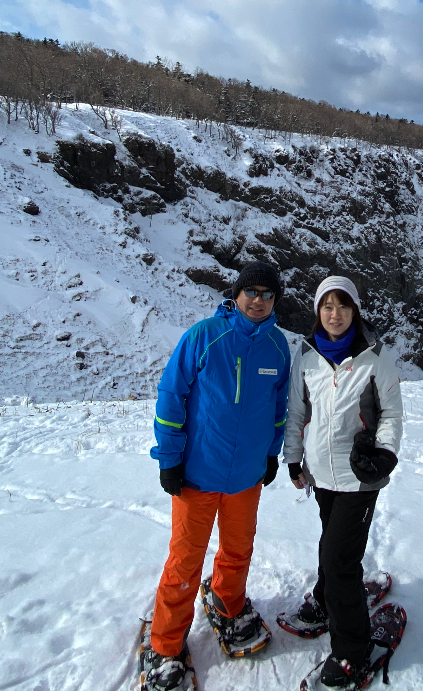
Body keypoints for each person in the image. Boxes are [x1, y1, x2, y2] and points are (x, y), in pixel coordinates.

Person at [141, 261, 292, 691]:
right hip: (197, 476)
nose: (259, 300)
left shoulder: (278, 347)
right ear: (237, 294)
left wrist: (269, 455)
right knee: (185, 561)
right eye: (252, 292)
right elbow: (171, 395)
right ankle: (165, 645)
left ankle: (228, 603)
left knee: (239, 549)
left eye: (268, 294)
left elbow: (277, 411)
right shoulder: (205, 336)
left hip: (245, 477)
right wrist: (169, 458)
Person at [281, 275, 403, 688]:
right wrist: (294, 460)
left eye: (343, 305)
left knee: (340, 559)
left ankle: (352, 651)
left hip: (360, 475)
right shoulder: (307, 355)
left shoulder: (374, 357)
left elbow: (390, 412)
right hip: (321, 473)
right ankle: (326, 596)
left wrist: (385, 454)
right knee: (329, 538)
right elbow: (297, 411)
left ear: (355, 310)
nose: (335, 314)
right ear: (318, 311)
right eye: (327, 306)